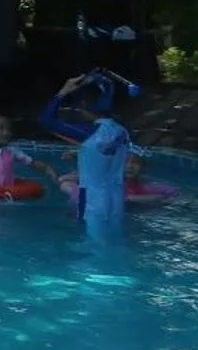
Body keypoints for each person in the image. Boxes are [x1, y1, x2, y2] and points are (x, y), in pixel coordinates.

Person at [43, 76, 137, 238]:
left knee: (94, 246)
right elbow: (104, 152)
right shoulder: (123, 130)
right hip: (117, 200)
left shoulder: (88, 132)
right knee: (116, 242)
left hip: (93, 199)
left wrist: (63, 91)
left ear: (83, 105)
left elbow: (47, 120)